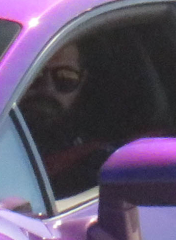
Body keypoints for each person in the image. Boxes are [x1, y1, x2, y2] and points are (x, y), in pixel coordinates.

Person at [18, 39, 115, 198]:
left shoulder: (98, 161)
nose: (47, 88)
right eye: (34, 75)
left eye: (65, 77)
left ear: (82, 80)